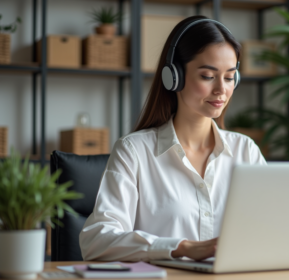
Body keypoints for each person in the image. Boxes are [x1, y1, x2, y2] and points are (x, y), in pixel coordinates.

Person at [79, 15, 266, 262]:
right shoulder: (134, 152)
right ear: (174, 76)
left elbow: (273, 227)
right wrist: (182, 248)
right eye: (208, 76)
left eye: (230, 77)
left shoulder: (246, 151)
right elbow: (97, 241)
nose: (222, 89)